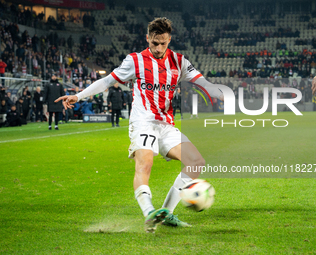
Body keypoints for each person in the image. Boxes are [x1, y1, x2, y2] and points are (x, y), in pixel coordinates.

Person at [55, 17, 223, 233]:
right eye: (155, 43)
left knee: (195, 162)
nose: (159, 48)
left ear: (169, 40)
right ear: (147, 39)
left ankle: (166, 213)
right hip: (143, 121)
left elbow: (202, 82)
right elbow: (107, 81)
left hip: (166, 124)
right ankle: (148, 212)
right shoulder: (135, 60)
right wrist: (78, 96)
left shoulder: (179, 61)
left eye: (163, 43)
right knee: (145, 164)